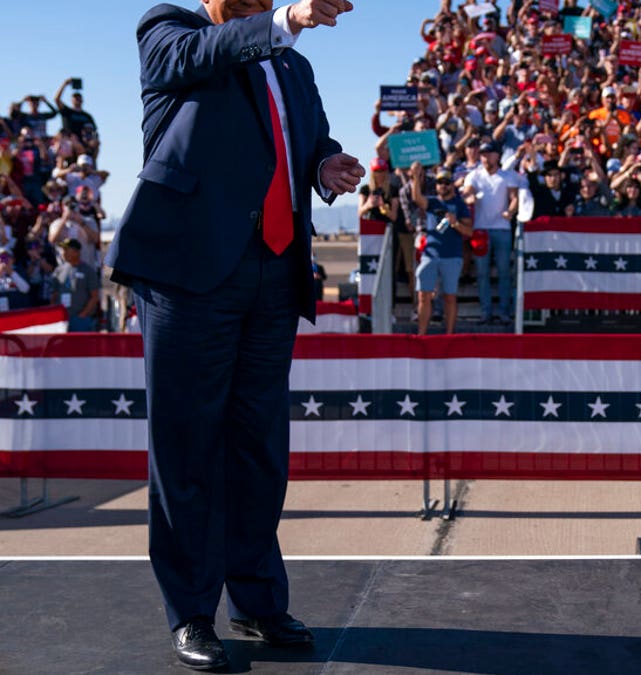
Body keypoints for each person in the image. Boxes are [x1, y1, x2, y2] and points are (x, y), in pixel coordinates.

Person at [103, 1, 363, 670]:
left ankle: (256, 602)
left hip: (274, 272)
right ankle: (191, 611)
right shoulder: (169, 30)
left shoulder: (295, 70)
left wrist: (325, 165)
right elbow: (199, 57)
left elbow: (306, 143)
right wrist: (285, 20)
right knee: (187, 446)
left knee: (258, 447)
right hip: (189, 274)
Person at [410, 167, 472, 335]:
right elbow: (417, 198)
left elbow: (469, 231)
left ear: (452, 185)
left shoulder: (460, 205)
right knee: (424, 295)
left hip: (452, 256)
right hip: (430, 255)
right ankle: (422, 334)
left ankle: (449, 334)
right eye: (439, 182)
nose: (443, 186)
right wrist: (415, 177)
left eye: (446, 182)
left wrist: (455, 223)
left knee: (449, 297)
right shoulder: (432, 202)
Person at [462, 141, 517, 324]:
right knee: (482, 273)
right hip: (480, 229)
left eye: (489, 154)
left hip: (502, 228)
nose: (485, 157)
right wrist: (469, 197)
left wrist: (510, 211)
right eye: (483, 154)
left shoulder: (507, 176)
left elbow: (514, 198)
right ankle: (486, 312)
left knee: (503, 271)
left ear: (497, 156)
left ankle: (504, 312)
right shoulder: (473, 176)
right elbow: (467, 191)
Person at [50, 239, 97, 331]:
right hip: (61, 319)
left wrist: (83, 314)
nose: (64, 253)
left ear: (76, 252)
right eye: (63, 250)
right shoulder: (59, 270)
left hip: (80, 319)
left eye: (66, 250)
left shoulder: (88, 271)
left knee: (80, 345)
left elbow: (94, 296)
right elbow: (54, 294)